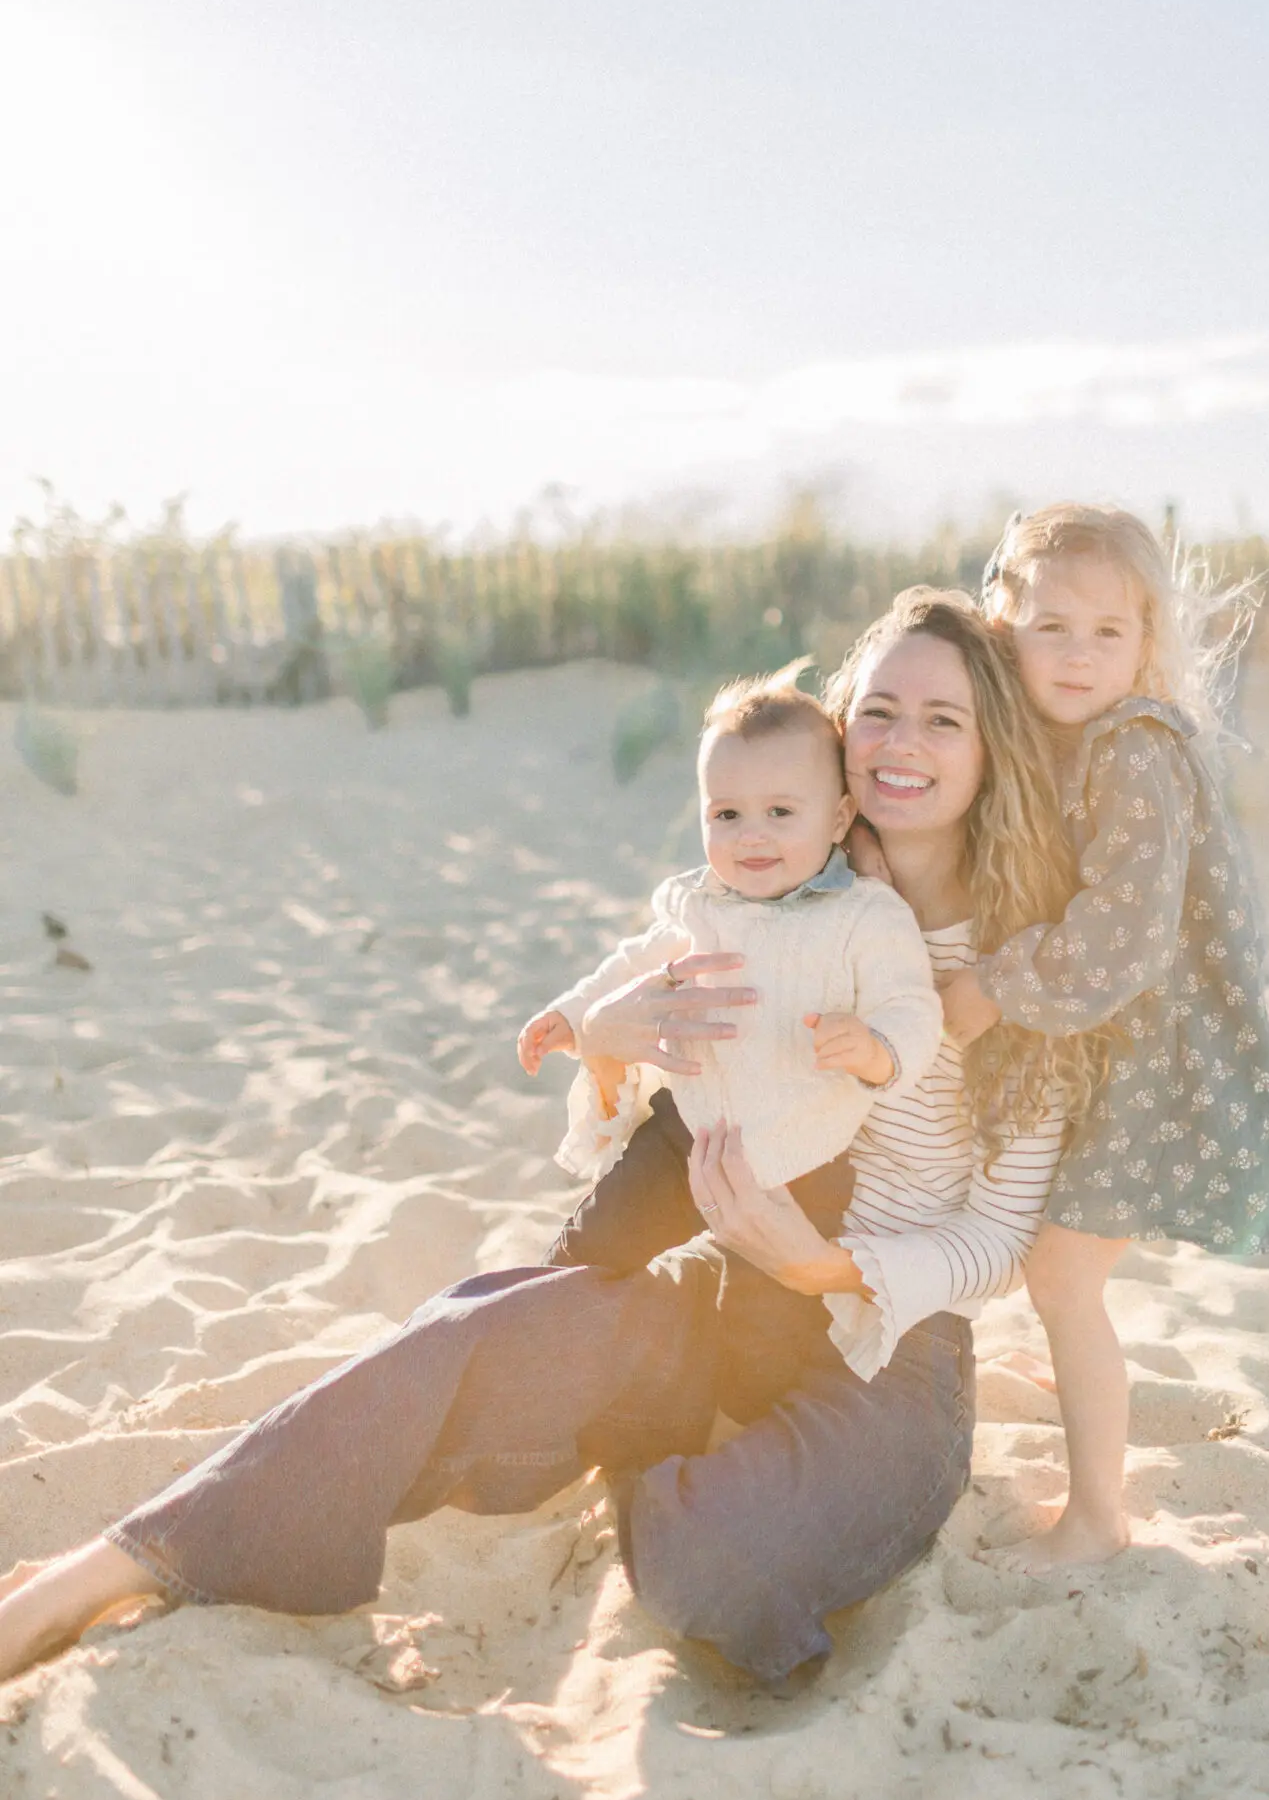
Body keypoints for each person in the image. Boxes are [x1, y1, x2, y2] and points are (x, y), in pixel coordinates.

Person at [0, 590, 1096, 1691]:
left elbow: (998, 1238)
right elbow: (676, 1104)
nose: (904, 742)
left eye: (944, 720)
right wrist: (608, 1042)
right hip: (722, 1294)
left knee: (710, 1563)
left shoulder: (1032, 961)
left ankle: (656, 1449)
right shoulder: (762, 887)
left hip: (885, 1352)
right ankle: (123, 1561)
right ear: (841, 739)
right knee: (471, 1326)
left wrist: (822, 1267)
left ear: (991, 744)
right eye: (881, 712)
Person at [936, 504, 1269, 1574]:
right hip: (1101, 1050)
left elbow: (1123, 935)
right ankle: (1073, 1373)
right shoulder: (1049, 741)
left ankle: (1097, 1517)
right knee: (1046, 1257)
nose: (1077, 655)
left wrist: (993, 986)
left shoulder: (1133, 748)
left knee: (1061, 1275)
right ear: (1004, 627)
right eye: (1050, 627)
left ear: (1145, 644)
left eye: (1107, 632)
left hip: (1157, 1066)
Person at [521, 661, 943, 1286]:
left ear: (837, 819)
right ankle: (535, 1311)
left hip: (806, 1157)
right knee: (586, 1255)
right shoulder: (703, 904)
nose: (751, 837)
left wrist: (877, 1049)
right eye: (726, 816)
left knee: (771, 1310)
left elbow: (912, 1006)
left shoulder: (864, 916)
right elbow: (635, 964)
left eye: (780, 812)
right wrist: (574, 1013)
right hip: (684, 1134)